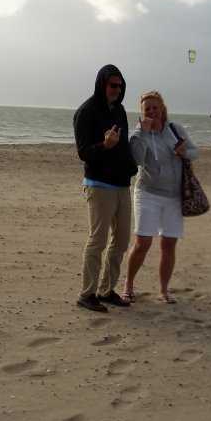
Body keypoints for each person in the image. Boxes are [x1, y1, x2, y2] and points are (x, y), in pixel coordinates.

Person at [122, 90, 197, 305]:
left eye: (155, 107)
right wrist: (143, 133)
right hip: (148, 194)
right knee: (143, 243)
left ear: (162, 108)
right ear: (142, 112)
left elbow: (194, 151)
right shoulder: (139, 132)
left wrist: (185, 152)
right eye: (147, 109)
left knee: (169, 243)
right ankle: (128, 285)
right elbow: (135, 160)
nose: (152, 111)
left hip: (174, 197)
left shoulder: (175, 129)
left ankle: (163, 291)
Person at [73, 64, 137, 313]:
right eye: (113, 85)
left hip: (122, 184)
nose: (117, 90)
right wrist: (105, 146)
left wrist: (131, 166)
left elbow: (124, 146)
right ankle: (87, 294)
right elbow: (83, 152)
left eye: (120, 86)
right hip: (99, 185)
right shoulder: (86, 111)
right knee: (97, 241)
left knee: (121, 240)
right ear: (102, 84)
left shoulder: (119, 110)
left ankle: (106, 290)